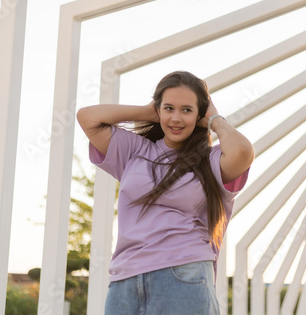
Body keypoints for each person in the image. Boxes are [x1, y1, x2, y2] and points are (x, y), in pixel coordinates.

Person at [77, 71, 254, 314]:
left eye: (187, 110)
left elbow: (243, 151)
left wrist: (214, 118)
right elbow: (88, 117)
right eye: (169, 108)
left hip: (184, 275)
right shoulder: (135, 151)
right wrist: (148, 111)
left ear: (200, 115)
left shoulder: (211, 162)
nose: (176, 118)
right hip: (125, 281)